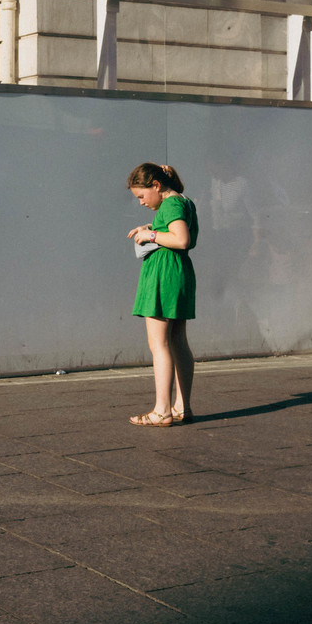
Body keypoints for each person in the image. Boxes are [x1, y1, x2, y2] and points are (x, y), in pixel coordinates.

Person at [125, 162, 198, 426]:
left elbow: (181, 239)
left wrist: (151, 235)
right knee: (178, 341)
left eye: (142, 196)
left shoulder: (170, 204)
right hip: (178, 272)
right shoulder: (183, 201)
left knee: (159, 344)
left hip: (164, 273)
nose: (141, 202)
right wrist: (149, 228)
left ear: (156, 185)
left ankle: (162, 410)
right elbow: (175, 230)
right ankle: (181, 407)